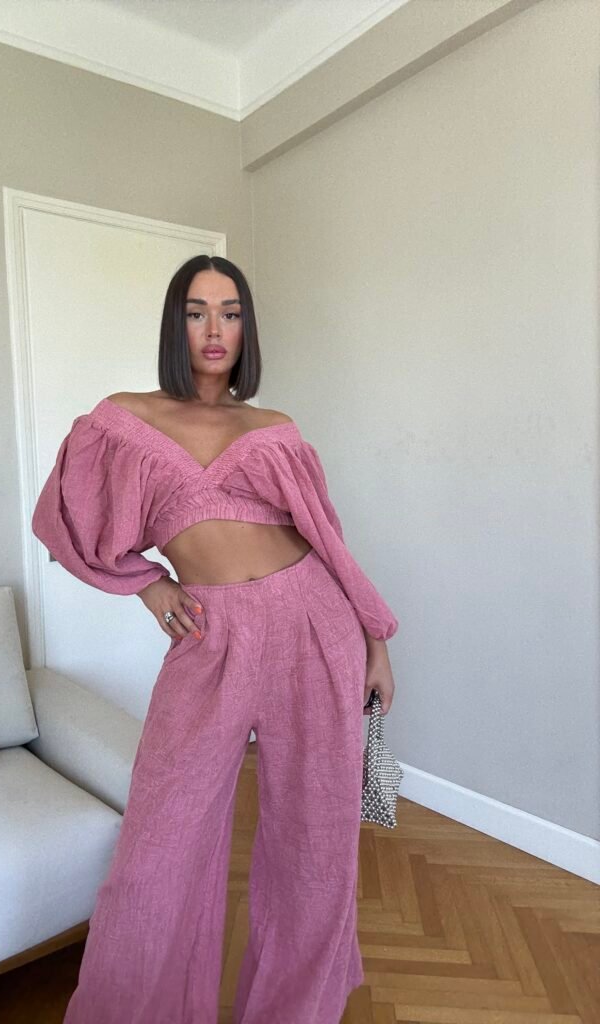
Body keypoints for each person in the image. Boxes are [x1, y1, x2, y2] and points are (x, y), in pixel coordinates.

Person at [31, 254, 398, 1024]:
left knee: (315, 845)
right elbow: (63, 525)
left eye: (230, 312)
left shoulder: (274, 428)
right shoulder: (121, 421)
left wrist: (375, 638)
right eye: (197, 311)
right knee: (156, 850)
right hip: (210, 634)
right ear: (176, 322)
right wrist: (148, 584)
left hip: (314, 625)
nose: (214, 329)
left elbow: (328, 539)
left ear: (246, 327)